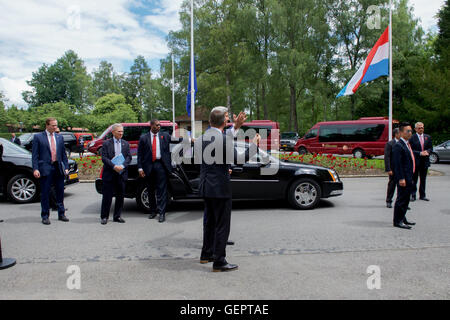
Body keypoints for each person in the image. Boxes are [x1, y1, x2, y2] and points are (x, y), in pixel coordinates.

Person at [197, 106, 260, 272]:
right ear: (224, 120)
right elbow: (239, 160)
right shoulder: (222, 139)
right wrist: (253, 146)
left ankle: (206, 254)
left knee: (209, 222)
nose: (228, 119)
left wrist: (236, 127)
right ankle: (219, 262)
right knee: (222, 225)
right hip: (219, 187)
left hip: (206, 185)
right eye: (227, 117)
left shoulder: (204, 136)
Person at [137, 119, 182, 223]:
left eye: (159, 125)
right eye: (157, 125)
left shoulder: (164, 135)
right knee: (150, 190)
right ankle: (153, 211)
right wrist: (140, 168)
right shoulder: (144, 138)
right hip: (148, 166)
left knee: (161, 190)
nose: (159, 127)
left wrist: (187, 139)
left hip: (161, 165)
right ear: (151, 126)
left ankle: (162, 213)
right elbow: (140, 154)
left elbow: (175, 140)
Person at [32, 118, 69, 225]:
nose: (55, 127)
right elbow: (35, 155)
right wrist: (35, 168)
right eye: (53, 125)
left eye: (56, 125)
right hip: (45, 168)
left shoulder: (59, 137)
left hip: (58, 168)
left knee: (60, 192)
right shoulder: (38, 137)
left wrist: (66, 167)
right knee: (45, 193)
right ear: (47, 125)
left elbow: (63, 154)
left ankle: (61, 214)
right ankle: (45, 215)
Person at [100, 124, 132, 225]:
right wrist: (114, 166)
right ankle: (104, 216)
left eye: (122, 131)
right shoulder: (106, 144)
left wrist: (122, 166)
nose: (121, 133)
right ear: (113, 132)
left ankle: (117, 216)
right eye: (119, 131)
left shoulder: (125, 144)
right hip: (110, 173)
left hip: (121, 174)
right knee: (107, 196)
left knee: (120, 196)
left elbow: (129, 157)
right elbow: (104, 158)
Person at [392, 122, 416, 230]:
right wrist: (401, 178)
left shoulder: (407, 143)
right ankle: (397, 221)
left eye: (411, 131)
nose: (410, 133)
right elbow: (397, 164)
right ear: (401, 132)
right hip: (403, 178)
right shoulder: (398, 145)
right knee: (401, 199)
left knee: (406, 199)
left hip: (409, 176)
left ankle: (403, 218)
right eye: (408, 131)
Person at [409, 122, 432, 202]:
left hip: (425, 161)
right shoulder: (412, 138)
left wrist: (427, 152)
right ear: (415, 129)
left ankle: (422, 195)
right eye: (419, 128)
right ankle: (413, 195)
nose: (421, 129)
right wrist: (419, 153)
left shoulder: (427, 137)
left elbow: (430, 148)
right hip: (416, 161)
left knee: (423, 179)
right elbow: (410, 150)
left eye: (422, 127)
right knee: (414, 179)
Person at [384, 128, 400, 208]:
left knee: (402, 187)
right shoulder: (390, 144)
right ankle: (389, 200)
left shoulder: (404, 143)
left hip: (402, 169)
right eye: (400, 133)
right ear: (396, 134)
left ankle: (401, 203)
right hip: (393, 168)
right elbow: (387, 157)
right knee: (392, 185)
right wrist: (388, 169)